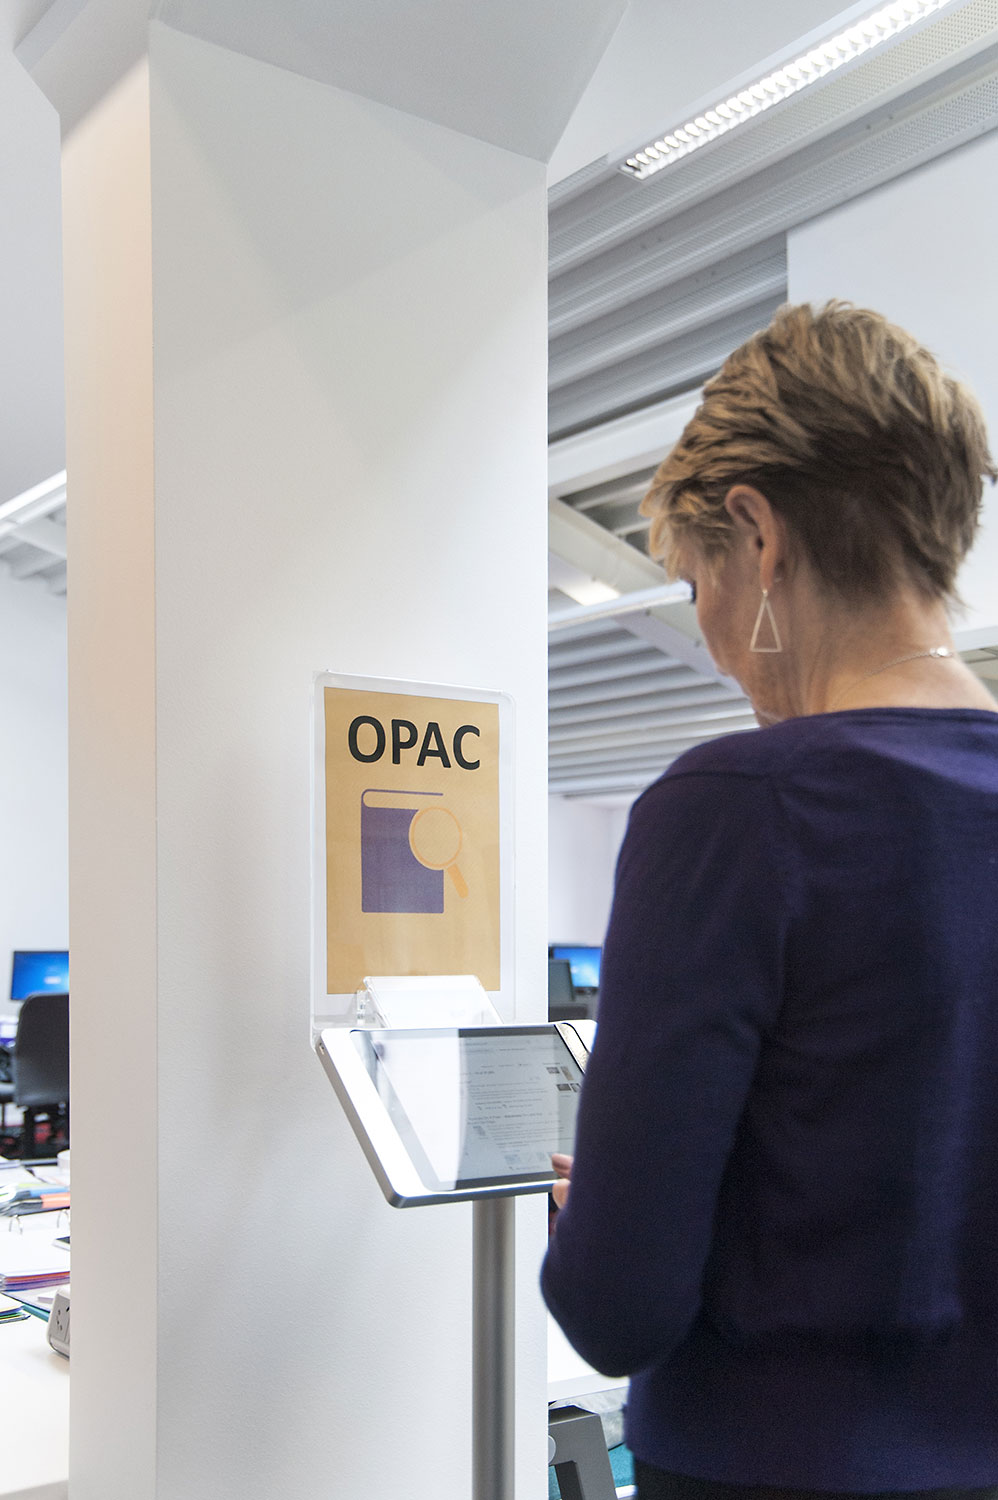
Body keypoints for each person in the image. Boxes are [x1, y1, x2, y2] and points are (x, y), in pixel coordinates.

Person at [541, 301, 998, 1500]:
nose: (708, 636)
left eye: (696, 580)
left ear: (756, 534)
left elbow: (616, 1307)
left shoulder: (734, 809)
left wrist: (588, 1220)